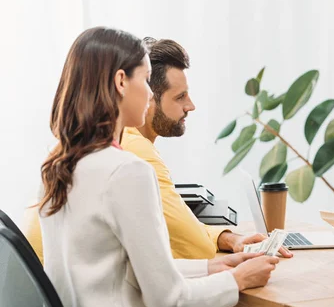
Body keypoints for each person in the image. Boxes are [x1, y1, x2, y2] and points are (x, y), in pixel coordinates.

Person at [37, 26, 293, 307]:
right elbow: (167, 300)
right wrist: (236, 279)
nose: (149, 93)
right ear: (120, 82)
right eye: (144, 80)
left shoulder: (59, 166)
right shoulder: (126, 171)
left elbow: (121, 272)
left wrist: (212, 267)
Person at [25, 37, 291, 265]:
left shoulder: (76, 146)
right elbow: (193, 250)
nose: (191, 106)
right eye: (179, 97)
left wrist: (227, 238)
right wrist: (232, 275)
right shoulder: (131, 156)